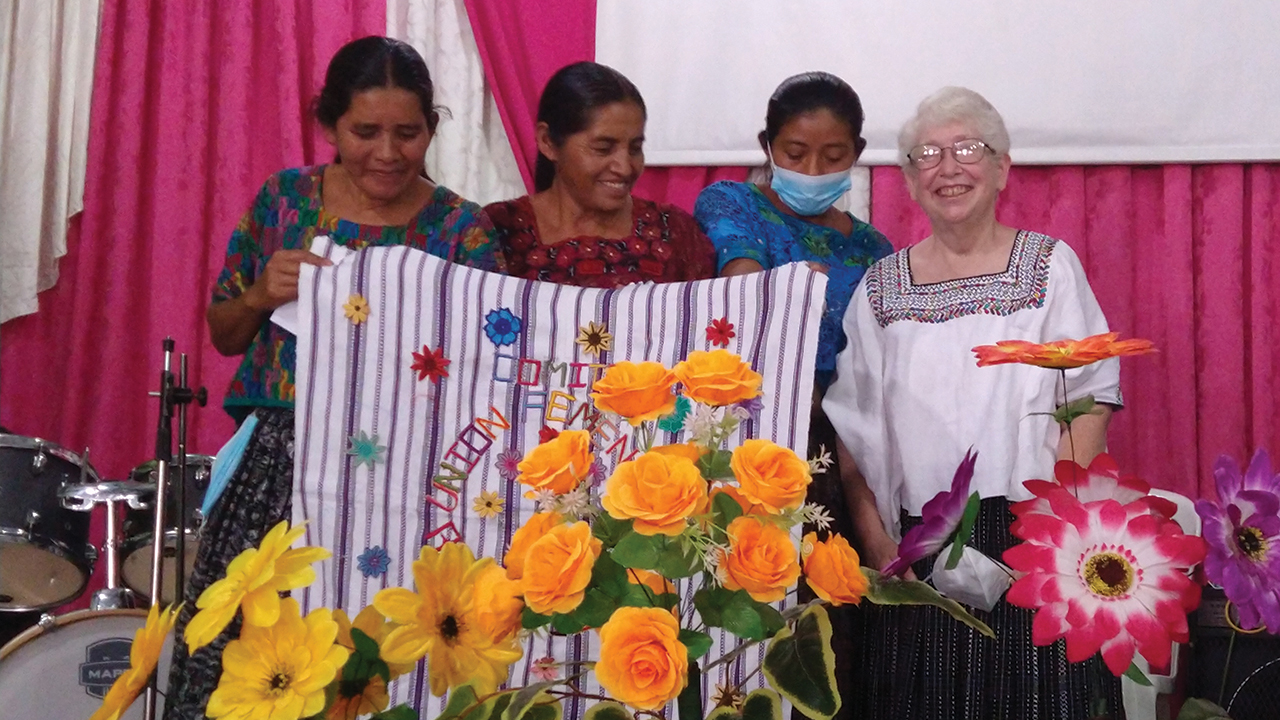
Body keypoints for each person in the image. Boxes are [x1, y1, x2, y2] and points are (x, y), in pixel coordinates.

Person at [163, 36, 504, 718]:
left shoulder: (463, 232)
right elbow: (224, 333)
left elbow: (488, 364)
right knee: (255, 656)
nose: (387, 152)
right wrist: (262, 293)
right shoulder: (285, 201)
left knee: (380, 649)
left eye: (408, 133)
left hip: (405, 473)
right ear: (329, 126)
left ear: (432, 130)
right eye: (365, 132)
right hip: (279, 470)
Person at [823, 87, 1123, 719]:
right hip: (918, 551)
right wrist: (880, 546)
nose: (947, 167)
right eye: (926, 153)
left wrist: (1053, 533)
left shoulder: (1048, 267)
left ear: (1002, 167)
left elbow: (1088, 401)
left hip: (1036, 539)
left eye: (967, 149)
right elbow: (853, 434)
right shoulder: (881, 286)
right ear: (908, 179)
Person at [692, 74, 892, 720]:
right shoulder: (733, 206)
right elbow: (749, 296)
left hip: (838, 458)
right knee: (746, 618)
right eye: (796, 152)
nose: (812, 169)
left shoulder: (872, 249)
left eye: (833, 157)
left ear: (857, 152)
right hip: (750, 440)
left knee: (829, 629)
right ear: (766, 145)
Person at [485, 61, 716, 287]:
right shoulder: (497, 232)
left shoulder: (674, 233)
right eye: (603, 149)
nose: (624, 167)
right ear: (548, 142)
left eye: (635, 148)